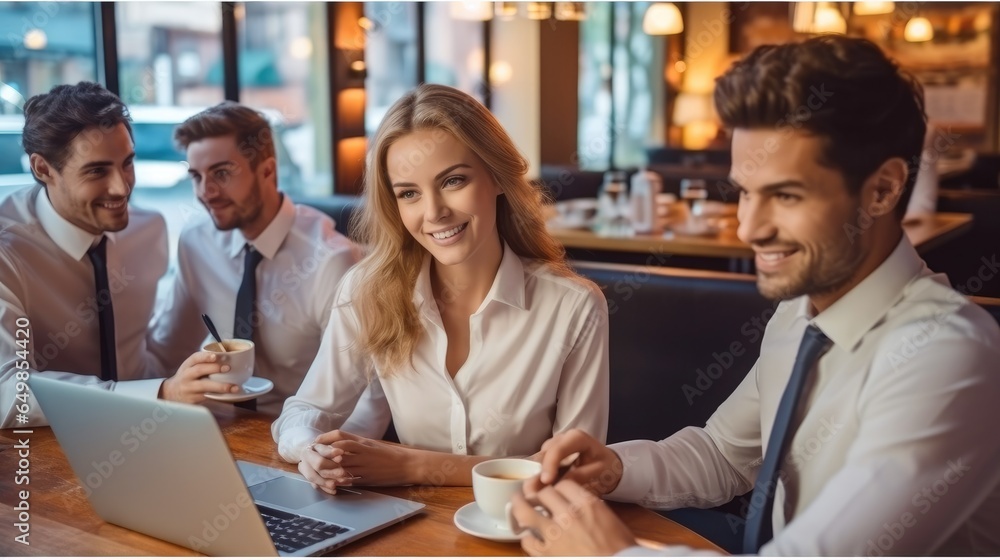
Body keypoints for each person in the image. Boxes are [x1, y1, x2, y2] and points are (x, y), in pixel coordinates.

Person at [510, 36, 1000, 556]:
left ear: (882, 190)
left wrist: (613, 554)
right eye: (745, 191)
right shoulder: (799, 315)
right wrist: (615, 468)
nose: (750, 227)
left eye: (785, 195)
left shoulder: (944, 355)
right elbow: (723, 454)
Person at [272, 83, 609, 490]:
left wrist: (413, 467)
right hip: (411, 530)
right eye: (409, 193)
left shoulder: (573, 307)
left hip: (527, 532)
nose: (434, 212)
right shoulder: (366, 291)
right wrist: (310, 449)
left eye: (453, 181)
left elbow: (574, 469)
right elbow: (305, 410)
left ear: (498, 178)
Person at [0, 82, 227, 428]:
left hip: (155, 429)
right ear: (43, 169)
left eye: (127, 164)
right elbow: (8, 392)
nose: (122, 187)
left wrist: (182, 383)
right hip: (52, 445)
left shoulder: (148, 231)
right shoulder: (7, 251)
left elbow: (145, 348)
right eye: (96, 171)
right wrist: (159, 394)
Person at [146, 102, 383, 423]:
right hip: (213, 427)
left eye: (221, 173)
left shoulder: (331, 260)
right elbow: (166, 352)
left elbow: (362, 388)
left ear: (268, 171)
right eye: (196, 176)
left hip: (300, 433)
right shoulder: (195, 241)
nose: (206, 192)